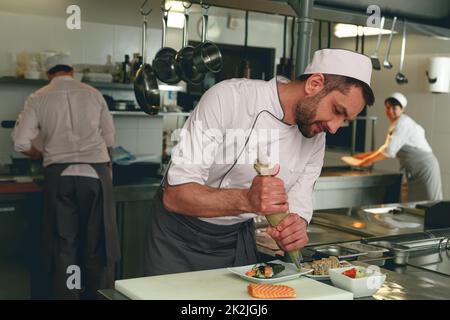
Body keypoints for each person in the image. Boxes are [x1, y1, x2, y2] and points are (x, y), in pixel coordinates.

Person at [144, 48, 375, 276]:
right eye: (336, 110)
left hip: (236, 240)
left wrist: (297, 227)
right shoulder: (229, 98)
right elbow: (175, 195)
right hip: (178, 239)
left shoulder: (316, 138)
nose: (334, 128)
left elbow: (299, 203)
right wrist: (247, 200)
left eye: (344, 120)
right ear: (314, 83)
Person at [12, 54, 120, 299]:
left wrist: (39, 153)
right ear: (72, 70)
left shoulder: (38, 97)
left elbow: (20, 143)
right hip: (95, 173)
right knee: (98, 243)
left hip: (59, 176)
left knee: (64, 244)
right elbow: (110, 139)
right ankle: (99, 295)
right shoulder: (93, 94)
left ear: (48, 74)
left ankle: (68, 295)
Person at [345, 92, 443, 202]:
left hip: (424, 169)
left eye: (394, 107)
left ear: (403, 109)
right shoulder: (396, 123)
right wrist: (362, 156)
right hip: (413, 170)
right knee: (414, 205)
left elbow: (389, 151)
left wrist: (364, 162)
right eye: (387, 107)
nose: (390, 110)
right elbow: (386, 148)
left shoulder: (403, 123)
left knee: (430, 203)